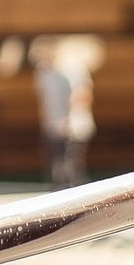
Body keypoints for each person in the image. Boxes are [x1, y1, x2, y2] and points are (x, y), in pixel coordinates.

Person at [31, 38, 94, 188]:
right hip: (52, 125)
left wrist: (67, 119)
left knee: (71, 166)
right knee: (56, 165)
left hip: (73, 125)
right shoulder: (43, 71)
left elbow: (82, 93)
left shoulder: (70, 67)